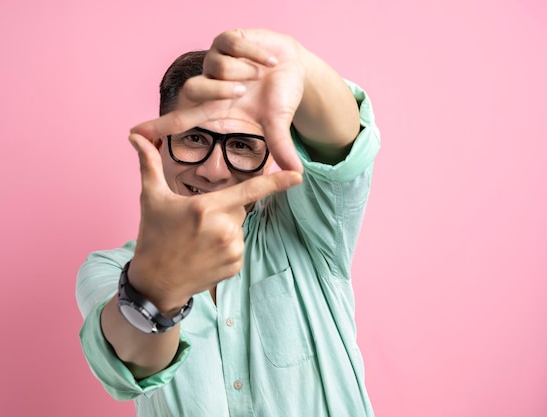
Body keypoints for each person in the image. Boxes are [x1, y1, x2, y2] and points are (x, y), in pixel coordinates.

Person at [76, 28, 380, 417]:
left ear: (269, 155)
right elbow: (135, 360)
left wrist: (300, 67)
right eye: (194, 139)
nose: (214, 171)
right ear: (157, 145)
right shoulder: (111, 269)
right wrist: (158, 289)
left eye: (241, 145)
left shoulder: (307, 225)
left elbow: (341, 145)